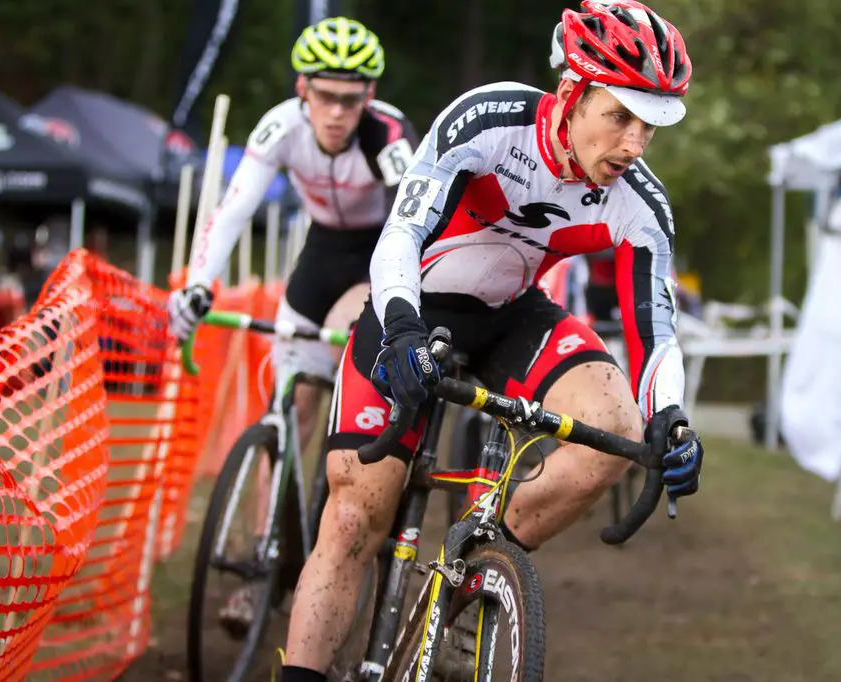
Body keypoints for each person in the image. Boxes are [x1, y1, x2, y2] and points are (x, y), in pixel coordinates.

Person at [277, 2, 705, 680]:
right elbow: (401, 235)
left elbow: (657, 333)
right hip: (415, 303)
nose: (633, 145)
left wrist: (671, 419)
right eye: (619, 117)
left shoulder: (638, 203)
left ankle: (464, 570)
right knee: (356, 512)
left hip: (513, 313)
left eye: (648, 126)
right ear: (571, 93)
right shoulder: (490, 119)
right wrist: (402, 331)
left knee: (617, 426)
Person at [166, 16, 419, 635]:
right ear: (303, 89)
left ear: (370, 95)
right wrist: (200, 283)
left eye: (351, 98)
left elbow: (412, 228)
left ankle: (347, 517)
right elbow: (231, 211)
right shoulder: (280, 125)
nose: (337, 112)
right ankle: (261, 561)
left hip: (374, 254)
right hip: (317, 256)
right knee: (287, 411)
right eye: (325, 95)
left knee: (336, 341)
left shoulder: (389, 136)